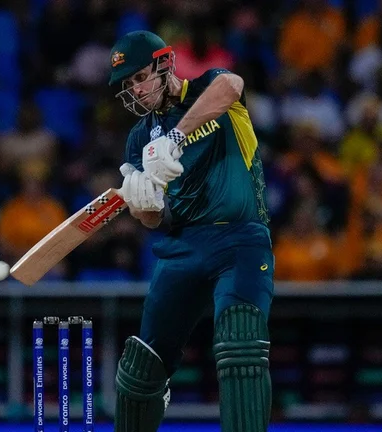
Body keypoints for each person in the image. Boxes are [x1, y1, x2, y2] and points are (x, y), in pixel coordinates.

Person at [108, 30, 274, 432]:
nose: (137, 89)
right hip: (182, 247)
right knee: (141, 366)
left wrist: (176, 139)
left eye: (140, 76)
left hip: (239, 240)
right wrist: (144, 207)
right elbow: (153, 218)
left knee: (240, 344)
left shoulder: (210, 87)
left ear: (165, 64)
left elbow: (231, 85)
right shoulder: (138, 139)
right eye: (128, 84)